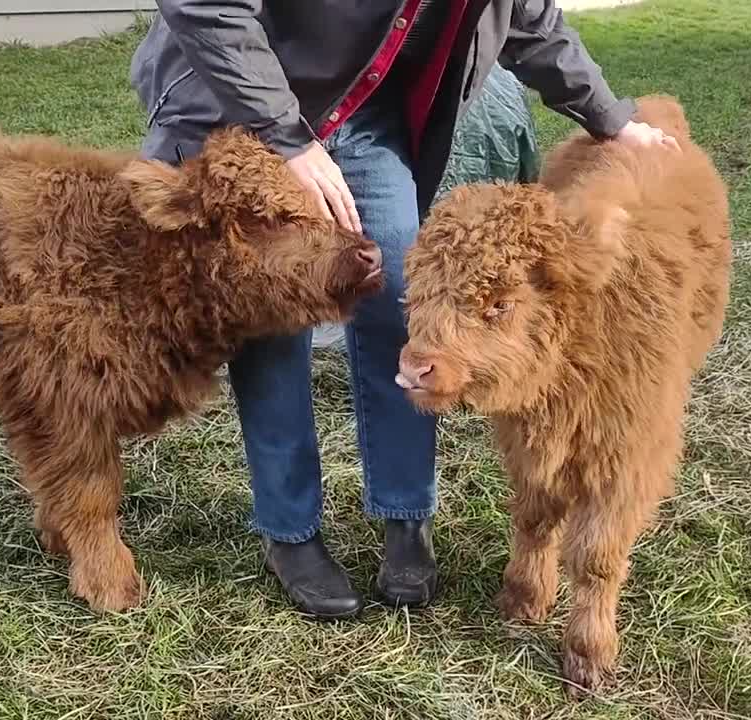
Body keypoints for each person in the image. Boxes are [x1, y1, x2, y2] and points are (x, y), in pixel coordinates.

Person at [130, 0, 679, 620]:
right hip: (240, 112)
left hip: (362, 116)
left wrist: (612, 119)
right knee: (275, 317)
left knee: (402, 307)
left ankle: (404, 515)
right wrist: (287, 138)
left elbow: (529, 20)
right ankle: (291, 532)